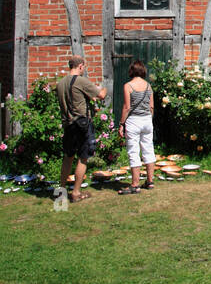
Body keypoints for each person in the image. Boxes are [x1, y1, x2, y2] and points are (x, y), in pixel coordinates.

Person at [56, 55, 107, 203]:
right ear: (80, 66)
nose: (84, 69)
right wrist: (103, 87)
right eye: (83, 67)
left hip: (68, 124)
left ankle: (61, 190)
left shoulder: (61, 84)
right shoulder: (81, 81)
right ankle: (76, 192)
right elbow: (101, 95)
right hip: (82, 124)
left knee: (67, 157)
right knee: (83, 157)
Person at [117, 60, 155, 194]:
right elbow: (151, 106)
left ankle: (135, 184)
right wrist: (149, 119)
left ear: (131, 71)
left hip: (133, 121)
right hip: (146, 120)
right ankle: (150, 181)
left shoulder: (128, 86)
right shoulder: (148, 86)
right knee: (148, 150)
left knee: (134, 152)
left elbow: (127, 107)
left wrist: (121, 124)